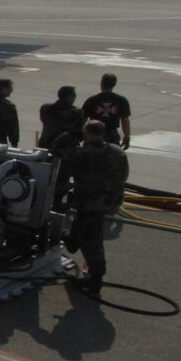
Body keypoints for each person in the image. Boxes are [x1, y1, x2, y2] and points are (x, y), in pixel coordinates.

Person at [63, 120, 129, 294]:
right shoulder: (118, 152)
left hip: (89, 203)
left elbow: (65, 166)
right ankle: (72, 241)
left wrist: (66, 138)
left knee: (92, 242)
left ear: (88, 133)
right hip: (109, 203)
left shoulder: (82, 153)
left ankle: (95, 280)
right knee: (82, 232)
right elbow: (124, 177)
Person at [82, 73, 132, 149]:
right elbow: (125, 120)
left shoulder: (92, 100)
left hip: (93, 134)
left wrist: (82, 135)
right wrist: (127, 137)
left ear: (101, 83)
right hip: (112, 135)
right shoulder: (121, 100)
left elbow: (83, 119)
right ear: (114, 84)